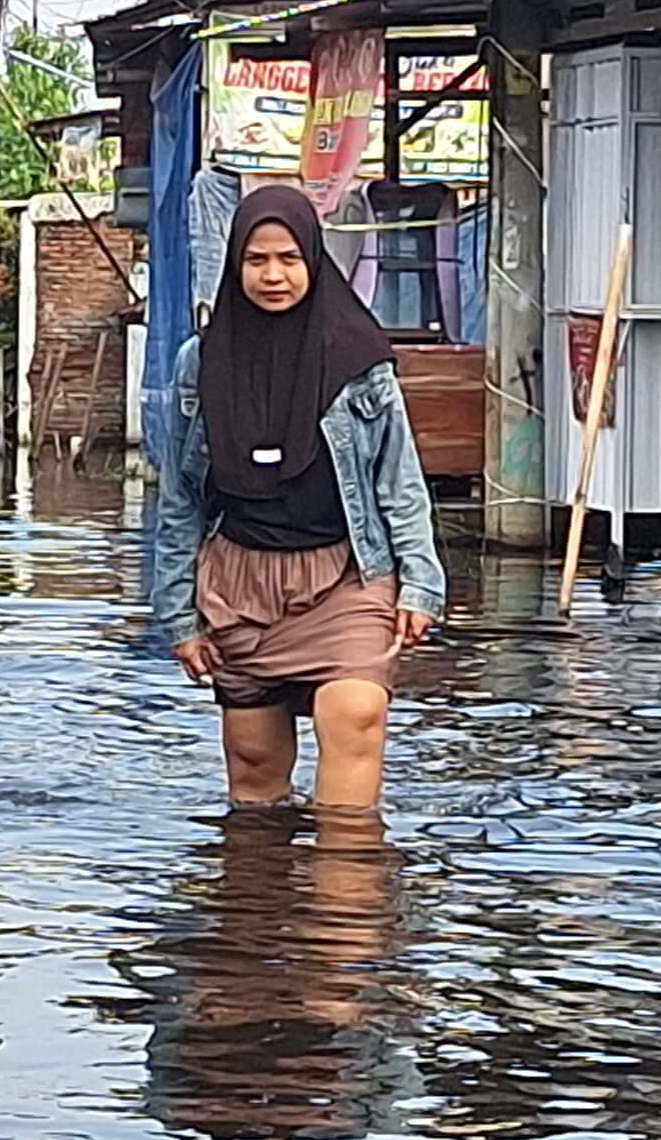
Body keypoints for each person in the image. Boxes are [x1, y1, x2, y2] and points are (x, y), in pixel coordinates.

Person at [152, 184, 445, 812]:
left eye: (289, 258)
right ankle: (258, 899)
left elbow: (399, 481)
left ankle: (345, 897)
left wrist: (420, 584)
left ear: (314, 260)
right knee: (256, 779)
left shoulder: (361, 361)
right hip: (239, 586)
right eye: (256, 261)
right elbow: (179, 496)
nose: (273, 275)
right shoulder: (198, 364)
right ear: (235, 267)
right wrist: (178, 617)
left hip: (346, 577)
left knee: (357, 713)